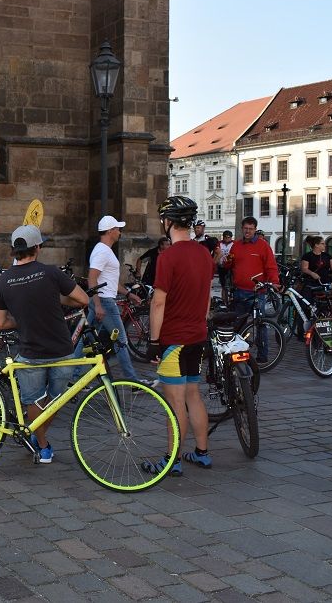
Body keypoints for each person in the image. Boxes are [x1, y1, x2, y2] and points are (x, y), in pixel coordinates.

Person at [0, 225, 89, 463]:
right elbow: (83, 299)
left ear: (15, 251)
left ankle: (42, 445)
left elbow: (1, 323)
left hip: (30, 351)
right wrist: (54, 300)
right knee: (56, 399)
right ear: (37, 248)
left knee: (34, 399)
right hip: (61, 349)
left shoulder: (3, 281)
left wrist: (24, 319)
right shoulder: (50, 273)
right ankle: (39, 438)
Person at [145, 196, 213, 477]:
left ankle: (171, 461)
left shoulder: (168, 257)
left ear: (168, 222)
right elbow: (207, 298)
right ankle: (201, 453)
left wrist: (153, 342)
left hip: (174, 338)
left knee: (174, 404)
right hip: (197, 336)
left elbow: (158, 303)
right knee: (193, 395)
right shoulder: (204, 254)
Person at [83, 215, 142, 382]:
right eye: (118, 229)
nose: (120, 232)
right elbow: (92, 279)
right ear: (110, 231)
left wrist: (129, 294)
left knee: (85, 341)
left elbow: (109, 282)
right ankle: (133, 381)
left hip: (102, 301)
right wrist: (98, 305)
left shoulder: (104, 250)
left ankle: (71, 377)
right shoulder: (102, 251)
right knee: (121, 341)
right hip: (105, 302)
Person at [222, 216, 279, 363]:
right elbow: (229, 265)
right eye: (245, 229)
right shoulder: (236, 245)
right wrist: (227, 261)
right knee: (238, 323)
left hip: (257, 292)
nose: (247, 231)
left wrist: (274, 282)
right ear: (242, 229)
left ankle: (262, 355)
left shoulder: (263, 246)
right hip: (239, 290)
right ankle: (234, 352)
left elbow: (271, 266)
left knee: (260, 324)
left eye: (250, 229)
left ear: (255, 229)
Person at [216, 230, 235, 305]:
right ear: (223, 237)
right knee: (224, 286)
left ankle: (231, 300)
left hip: (231, 267)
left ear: (231, 237)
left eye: (229, 237)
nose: (227, 239)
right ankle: (224, 301)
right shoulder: (219, 243)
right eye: (225, 237)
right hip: (221, 267)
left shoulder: (234, 244)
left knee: (232, 285)